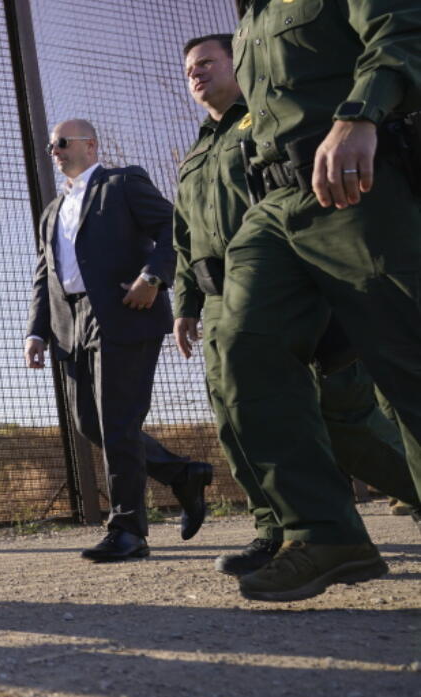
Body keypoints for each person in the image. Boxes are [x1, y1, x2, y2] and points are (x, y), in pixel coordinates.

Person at [200, 0, 421, 601]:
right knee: (242, 342)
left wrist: (361, 114)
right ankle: (323, 532)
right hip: (278, 208)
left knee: (406, 359)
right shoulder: (250, 14)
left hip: (358, 188)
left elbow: (404, 27)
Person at [172, 34, 421, 577]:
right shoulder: (192, 155)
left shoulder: (263, 125)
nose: (196, 74)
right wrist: (185, 303)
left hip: (291, 285)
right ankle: (278, 529)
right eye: (189, 69)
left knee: (344, 419)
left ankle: (412, 490)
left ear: (238, 65)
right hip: (220, 298)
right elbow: (183, 238)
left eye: (207, 63)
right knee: (239, 419)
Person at [26, 119, 213, 562]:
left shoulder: (122, 181)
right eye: (52, 144)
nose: (55, 150)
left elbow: (174, 226)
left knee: (117, 422)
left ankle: (129, 529)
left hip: (125, 311)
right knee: (91, 424)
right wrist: (37, 329)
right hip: (69, 323)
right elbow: (43, 273)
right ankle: (184, 474)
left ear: (90, 146)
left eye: (63, 142)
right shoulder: (52, 211)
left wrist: (153, 277)